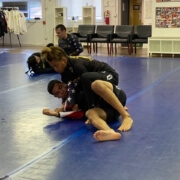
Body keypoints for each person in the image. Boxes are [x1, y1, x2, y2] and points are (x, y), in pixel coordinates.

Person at [41, 46, 133, 133]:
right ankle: (109, 126)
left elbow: (88, 88)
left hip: (109, 75)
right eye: (53, 66)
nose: (55, 69)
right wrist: (60, 108)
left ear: (64, 60)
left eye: (56, 65)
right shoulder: (64, 75)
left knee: (89, 81)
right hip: (98, 84)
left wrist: (91, 107)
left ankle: (125, 116)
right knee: (86, 95)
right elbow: (70, 95)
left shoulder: (77, 65)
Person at [43, 79, 129, 142]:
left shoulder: (75, 85)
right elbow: (75, 112)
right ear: (56, 97)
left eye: (60, 87)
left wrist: (57, 112)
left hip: (115, 97)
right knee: (90, 113)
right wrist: (55, 113)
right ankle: (109, 131)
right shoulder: (67, 105)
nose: (61, 92)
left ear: (63, 83)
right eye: (57, 93)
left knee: (96, 85)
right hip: (109, 110)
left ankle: (122, 110)